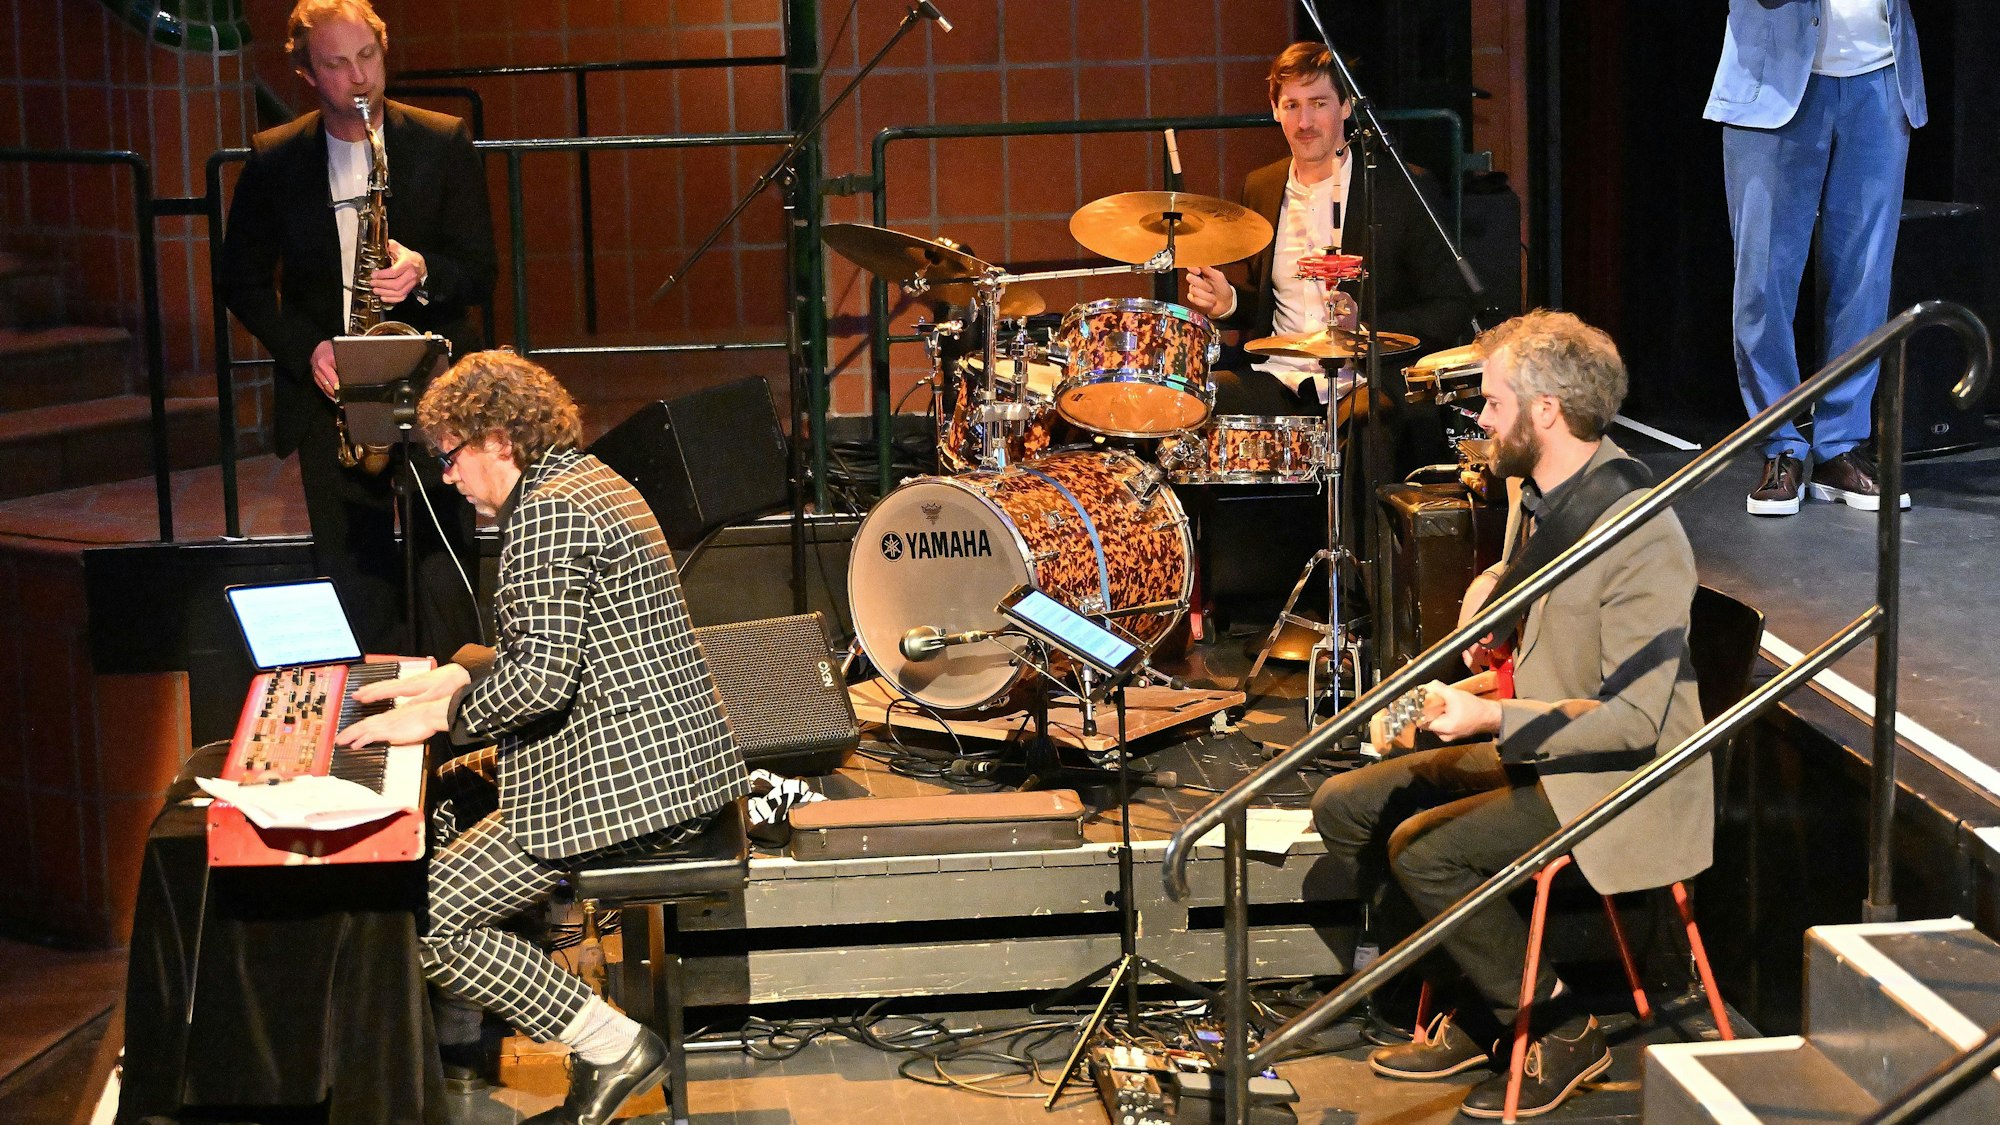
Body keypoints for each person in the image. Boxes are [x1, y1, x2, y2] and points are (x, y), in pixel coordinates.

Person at [1309, 311, 1711, 1119]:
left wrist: (1490, 719)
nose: (1481, 420)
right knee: (1345, 805)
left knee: (1423, 851)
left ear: (1548, 410)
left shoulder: (1641, 534)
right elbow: (1536, 595)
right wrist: (1489, 595)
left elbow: (1633, 721)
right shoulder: (1539, 494)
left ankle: (1561, 1027)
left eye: (1494, 403)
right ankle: (1490, 1010)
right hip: (1551, 745)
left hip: (1621, 778)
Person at [334, 351, 749, 1125]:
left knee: (425, 917)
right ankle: (472, 1028)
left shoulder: (549, 512)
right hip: (657, 753)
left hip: (629, 779)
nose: (448, 476)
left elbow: (540, 683)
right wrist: (445, 682)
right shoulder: (585, 480)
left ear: (498, 438)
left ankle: (611, 1043)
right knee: (449, 796)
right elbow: (557, 652)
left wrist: (439, 720)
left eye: (451, 456)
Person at [221, 0, 495, 657]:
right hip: (333, 398)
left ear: (384, 49)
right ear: (308, 76)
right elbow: (241, 281)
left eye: (367, 56)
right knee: (354, 583)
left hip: (435, 387)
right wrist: (308, 347)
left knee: (444, 573)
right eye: (337, 64)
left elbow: (481, 270)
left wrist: (424, 271)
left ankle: (456, 737)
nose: (359, 77)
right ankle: (373, 734)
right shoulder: (274, 159)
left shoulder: (441, 140)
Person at [1706, 0, 1924, 516]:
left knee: (1864, 279)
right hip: (1773, 87)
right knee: (1763, 282)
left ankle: (1841, 447)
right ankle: (1780, 446)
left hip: (1880, 80)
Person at [1181, 41, 1473, 419]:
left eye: (1318, 103)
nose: (1304, 122)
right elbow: (1277, 307)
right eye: (1292, 106)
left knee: (1370, 419)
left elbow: (1450, 307)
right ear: (1275, 110)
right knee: (1193, 402)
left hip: (1365, 380)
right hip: (1279, 377)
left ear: (1346, 106)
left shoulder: (1402, 188)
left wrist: (1365, 329)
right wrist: (1231, 303)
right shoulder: (1261, 186)